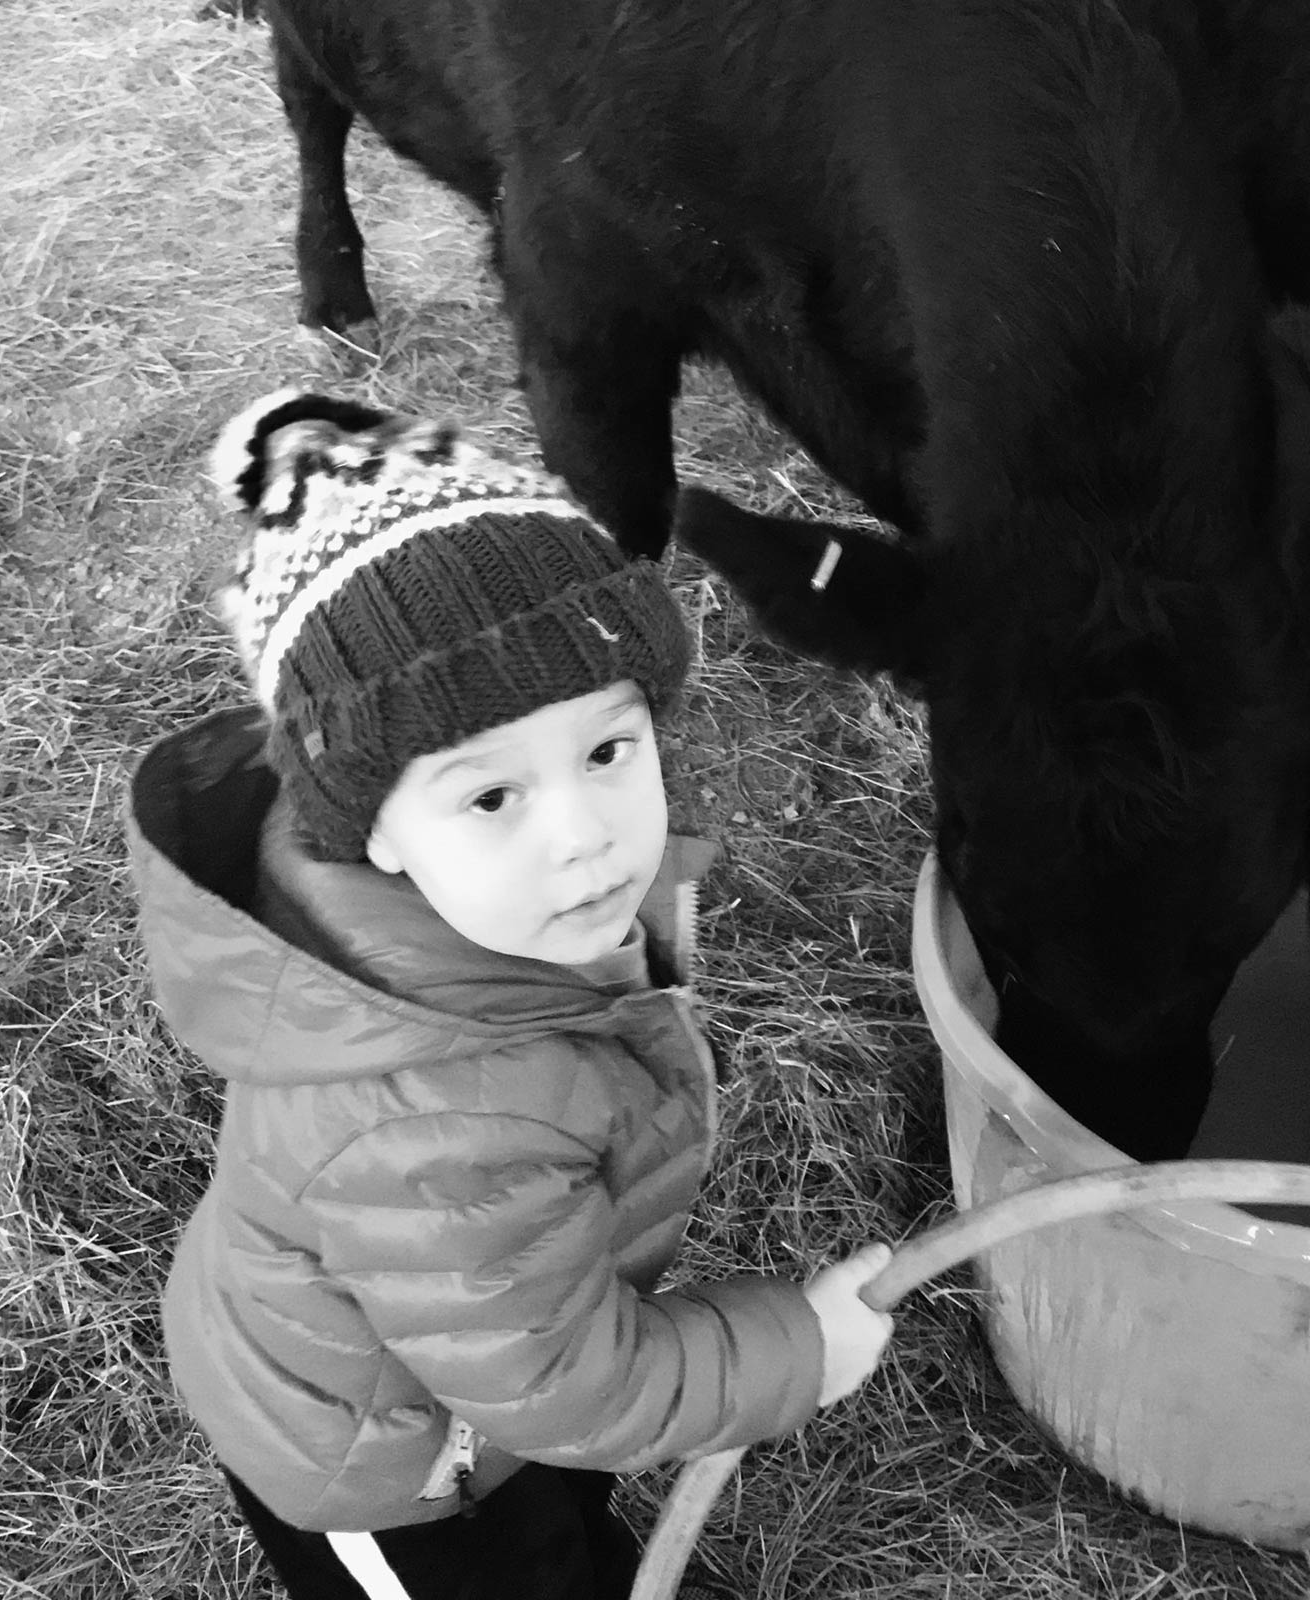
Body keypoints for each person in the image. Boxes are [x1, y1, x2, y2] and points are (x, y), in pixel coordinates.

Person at [125, 390, 895, 1600]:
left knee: (551, 1509)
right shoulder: (434, 1123)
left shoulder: (513, 925)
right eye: (493, 797)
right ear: (370, 828)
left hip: (480, 1378)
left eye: (607, 751)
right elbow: (563, 1384)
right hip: (393, 1465)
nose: (586, 837)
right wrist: (800, 1348)